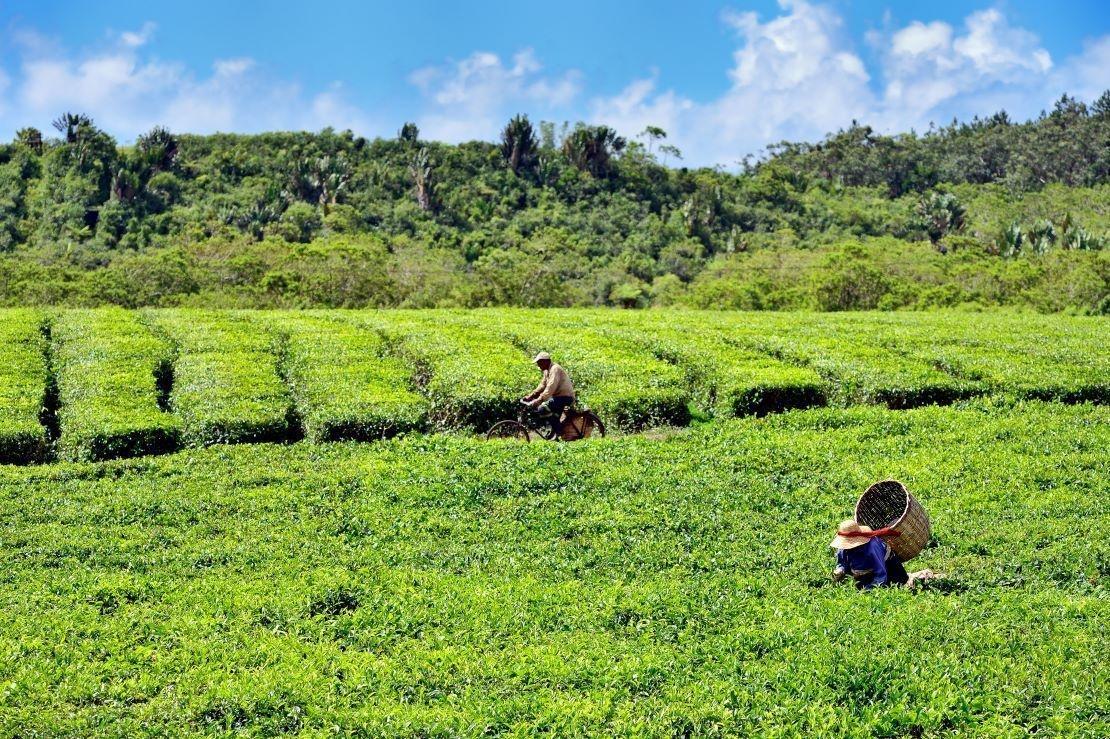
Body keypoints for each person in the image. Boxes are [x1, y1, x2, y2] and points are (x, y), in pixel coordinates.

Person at [830, 519, 910, 590]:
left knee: (895, 586)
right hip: (864, 572)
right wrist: (840, 570)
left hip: (889, 569)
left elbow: (881, 573)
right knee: (859, 586)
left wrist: (869, 589)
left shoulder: (872, 546)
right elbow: (842, 563)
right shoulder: (843, 548)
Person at [522, 351, 575, 438]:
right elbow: (542, 385)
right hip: (558, 397)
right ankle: (555, 431)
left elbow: (550, 387)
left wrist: (539, 400)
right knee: (551, 415)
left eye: (539, 363)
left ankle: (558, 430)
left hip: (565, 397)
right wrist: (531, 395)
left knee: (542, 408)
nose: (538, 365)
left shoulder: (555, 369)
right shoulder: (547, 371)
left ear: (546, 361)